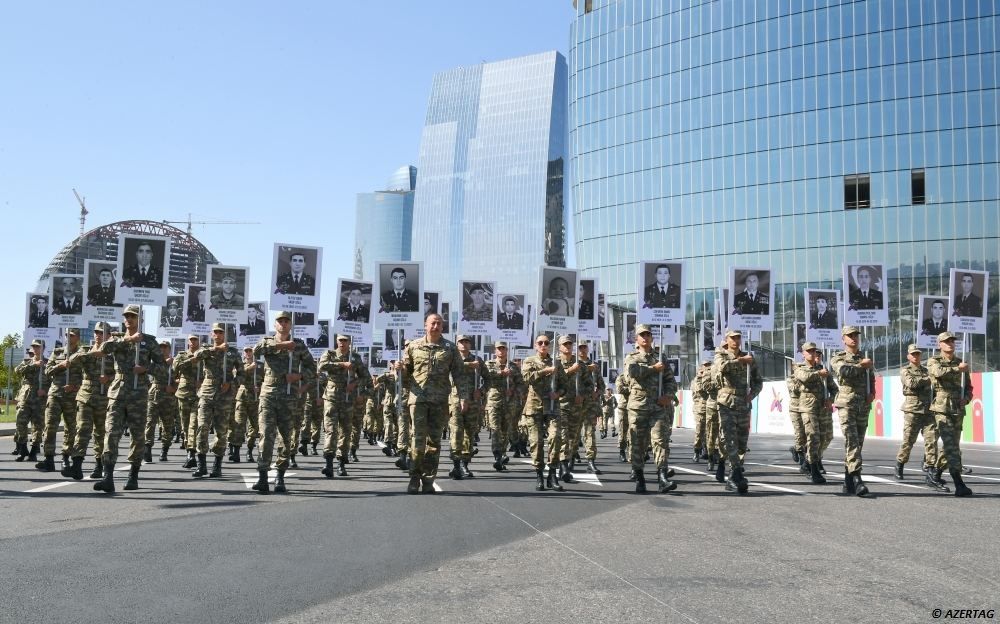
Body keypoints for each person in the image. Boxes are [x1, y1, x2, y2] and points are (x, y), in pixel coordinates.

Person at [93, 304, 166, 493]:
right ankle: (108, 476)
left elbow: (163, 369)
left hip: (138, 393)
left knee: (137, 435)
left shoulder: (149, 342)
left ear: (139, 319)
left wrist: (146, 369)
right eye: (126, 316)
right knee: (111, 433)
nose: (129, 319)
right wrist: (128, 340)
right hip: (118, 392)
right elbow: (104, 349)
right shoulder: (117, 338)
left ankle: (133, 475)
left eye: (133, 316)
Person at [396, 313, 470, 493]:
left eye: (439, 324)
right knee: (418, 439)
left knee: (434, 441)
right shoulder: (413, 346)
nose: (435, 326)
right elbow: (405, 375)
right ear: (425, 325)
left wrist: (463, 397)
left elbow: (459, 374)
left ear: (442, 327)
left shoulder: (450, 348)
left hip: (439, 400)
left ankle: (428, 479)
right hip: (418, 399)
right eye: (432, 323)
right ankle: (414, 477)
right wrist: (400, 369)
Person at [251, 311, 316, 494]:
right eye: (280, 321)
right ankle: (263, 476)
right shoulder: (267, 341)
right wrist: (281, 345)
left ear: (291, 324)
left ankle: (280, 476)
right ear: (275, 325)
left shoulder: (300, 346)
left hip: (289, 396)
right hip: (269, 394)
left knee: (286, 438)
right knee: (265, 436)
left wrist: (300, 376)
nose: (283, 324)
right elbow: (257, 351)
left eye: (287, 321)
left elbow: (313, 368)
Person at [624, 324, 679, 493]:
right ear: (637, 339)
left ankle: (662, 477)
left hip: (657, 406)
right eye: (642, 335)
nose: (645, 337)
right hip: (638, 407)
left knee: (660, 441)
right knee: (637, 444)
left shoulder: (660, 357)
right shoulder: (631, 357)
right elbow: (632, 373)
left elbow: (671, 381)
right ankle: (639, 477)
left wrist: (668, 396)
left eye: (648, 334)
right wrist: (652, 369)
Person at [711, 328, 762, 493]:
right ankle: (734, 475)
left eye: (738, 337)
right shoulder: (721, 355)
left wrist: (752, 394)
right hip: (726, 403)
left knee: (742, 443)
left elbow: (758, 381)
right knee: (730, 439)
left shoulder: (749, 357)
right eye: (733, 338)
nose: (736, 340)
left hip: (743, 404)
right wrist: (741, 361)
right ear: (727, 339)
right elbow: (722, 367)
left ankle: (735, 471)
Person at [926, 332, 974, 496]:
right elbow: (938, 373)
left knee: (951, 447)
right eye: (946, 341)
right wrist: (956, 369)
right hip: (942, 409)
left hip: (957, 409)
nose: (950, 344)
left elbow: (968, 387)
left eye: (952, 341)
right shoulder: (934, 361)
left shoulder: (961, 363)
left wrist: (966, 399)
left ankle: (936, 474)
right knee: (951, 447)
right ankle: (959, 484)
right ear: (939, 344)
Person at [831, 325, 876, 496]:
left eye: (856, 335)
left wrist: (872, 392)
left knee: (858, 443)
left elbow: (871, 377)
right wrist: (860, 365)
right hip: (846, 404)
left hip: (863, 405)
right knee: (852, 441)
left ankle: (847, 481)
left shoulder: (865, 358)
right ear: (843, 339)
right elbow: (844, 371)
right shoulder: (838, 357)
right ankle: (857, 480)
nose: (853, 338)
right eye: (850, 336)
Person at [520, 334, 568, 491]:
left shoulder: (557, 363)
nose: (543, 345)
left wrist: (558, 393)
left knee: (556, 438)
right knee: (536, 442)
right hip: (534, 407)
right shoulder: (529, 361)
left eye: (546, 343)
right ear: (535, 345)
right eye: (540, 343)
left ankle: (552, 474)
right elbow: (526, 378)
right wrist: (544, 371)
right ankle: (539, 474)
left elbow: (564, 385)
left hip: (552, 407)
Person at [317, 335, 367, 478]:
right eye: (340, 340)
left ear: (349, 342)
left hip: (347, 397)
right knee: (330, 429)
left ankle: (341, 463)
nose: (342, 343)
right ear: (337, 341)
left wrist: (355, 384)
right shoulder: (330, 354)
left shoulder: (355, 357)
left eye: (345, 340)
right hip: (331, 396)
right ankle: (328, 463)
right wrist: (341, 364)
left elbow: (365, 376)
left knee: (345, 431)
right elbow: (321, 366)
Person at [894, 344, 943, 489]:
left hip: (928, 410)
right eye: (913, 354)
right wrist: (928, 379)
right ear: (908, 356)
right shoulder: (905, 370)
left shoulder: (927, 370)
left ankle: (930, 469)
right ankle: (899, 464)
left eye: (918, 354)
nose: (916, 356)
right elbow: (912, 383)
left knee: (931, 440)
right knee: (908, 441)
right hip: (913, 410)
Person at [68, 324, 113, 478]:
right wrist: (92, 354)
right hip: (85, 395)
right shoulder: (86, 349)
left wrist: (109, 378)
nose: (98, 335)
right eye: (96, 332)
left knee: (100, 433)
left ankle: (99, 465)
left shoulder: (113, 353)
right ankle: (77, 465)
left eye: (102, 333)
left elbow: (123, 372)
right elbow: (72, 360)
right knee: (82, 430)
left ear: (108, 335)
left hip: (104, 396)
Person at [37, 328, 83, 473]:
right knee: (50, 427)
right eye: (67, 335)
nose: (69, 338)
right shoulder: (57, 352)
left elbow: (89, 375)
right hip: (55, 394)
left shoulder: (83, 354)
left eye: (72, 335)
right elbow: (47, 371)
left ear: (78, 337)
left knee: (71, 428)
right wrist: (61, 365)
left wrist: (76, 386)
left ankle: (65, 457)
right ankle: (49, 458)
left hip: (72, 396)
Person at [794, 342, 838, 484]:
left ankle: (809, 461)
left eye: (814, 351)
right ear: (804, 354)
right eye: (809, 351)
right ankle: (814, 470)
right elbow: (804, 377)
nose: (813, 354)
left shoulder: (823, 370)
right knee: (813, 436)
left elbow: (835, 389)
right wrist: (819, 373)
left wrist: (830, 400)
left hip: (823, 408)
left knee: (825, 438)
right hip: (808, 407)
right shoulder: (799, 368)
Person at [447, 335, 485, 479]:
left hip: (473, 401)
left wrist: (481, 391)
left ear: (470, 344)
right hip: (455, 400)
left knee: (470, 433)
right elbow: (447, 372)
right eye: (461, 342)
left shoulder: (478, 360)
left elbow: (489, 379)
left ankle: (465, 463)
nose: (464, 344)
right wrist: (469, 365)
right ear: (457, 344)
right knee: (456, 431)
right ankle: (456, 464)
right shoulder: (452, 358)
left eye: (466, 342)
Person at [484, 341, 523, 472]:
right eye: (499, 349)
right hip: (494, 401)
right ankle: (497, 454)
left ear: (507, 350)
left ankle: (502, 453)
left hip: (509, 402)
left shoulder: (513, 366)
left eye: (503, 348)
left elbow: (521, 384)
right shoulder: (489, 364)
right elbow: (486, 377)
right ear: (495, 351)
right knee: (495, 429)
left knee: (505, 430)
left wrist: (513, 391)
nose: (501, 351)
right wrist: (501, 373)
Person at [12, 340, 49, 462]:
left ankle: (33, 451)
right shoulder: (27, 362)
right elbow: (17, 371)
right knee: (20, 422)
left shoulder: (48, 363)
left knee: (38, 426)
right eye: (33, 346)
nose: (35, 349)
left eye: (38, 346)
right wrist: (34, 365)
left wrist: (45, 390)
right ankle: (23, 448)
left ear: (43, 348)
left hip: (40, 398)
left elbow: (55, 381)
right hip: (26, 396)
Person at [144, 340, 178, 463]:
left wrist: (174, 387)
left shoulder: (175, 363)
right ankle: (147, 448)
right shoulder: (155, 363)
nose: (163, 350)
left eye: (165, 347)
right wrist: (164, 363)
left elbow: (182, 379)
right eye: (161, 348)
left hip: (169, 397)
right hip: (154, 394)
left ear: (169, 349)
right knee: (150, 422)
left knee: (167, 425)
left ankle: (164, 449)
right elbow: (149, 370)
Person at [231, 346, 262, 463]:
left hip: (255, 399)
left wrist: (260, 388)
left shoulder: (260, 366)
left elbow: (265, 380)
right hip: (242, 398)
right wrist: (249, 368)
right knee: (239, 425)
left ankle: (249, 451)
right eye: (246, 351)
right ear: (243, 353)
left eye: (250, 351)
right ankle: (236, 452)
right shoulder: (239, 365)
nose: (248, 353)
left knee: (255, 426)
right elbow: (236, 377)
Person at [691, 361, 711, 461]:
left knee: (710, 431)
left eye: (708, 367)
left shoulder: (709, 378)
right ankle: (696, 450)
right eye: (705, 367)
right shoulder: (696, 380)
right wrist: (701, 377)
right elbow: (700, 389)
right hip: (700, 409)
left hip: (710, 408)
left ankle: (707, 451)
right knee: (700, 431)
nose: (707, 369)